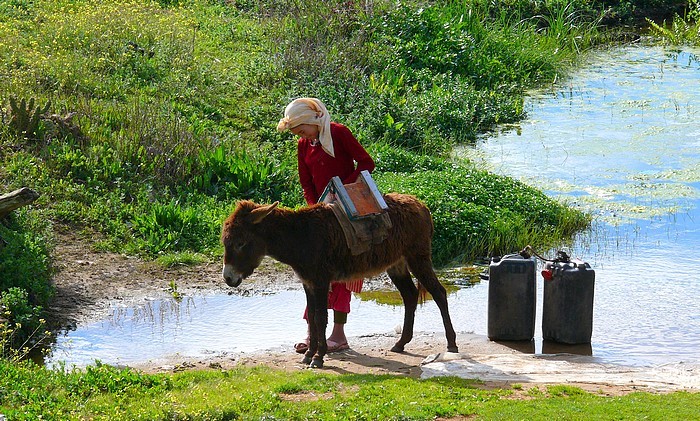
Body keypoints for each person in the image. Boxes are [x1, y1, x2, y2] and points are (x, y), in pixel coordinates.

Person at [277, 97, 375, 354]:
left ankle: (338, 335)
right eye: (297, 132)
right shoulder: (303, 145)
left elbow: (366, 163)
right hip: (321, 215)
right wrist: (316, 206)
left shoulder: (339, 133)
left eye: (301, 129)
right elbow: (306, 181)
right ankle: (313, 333)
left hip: (348, 207)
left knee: (343, 271)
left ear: (313, 121)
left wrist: (341, 190)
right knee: (312, 272)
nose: (300, 135)